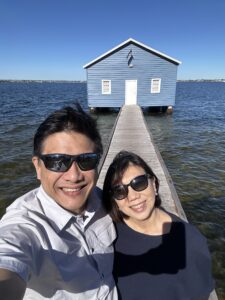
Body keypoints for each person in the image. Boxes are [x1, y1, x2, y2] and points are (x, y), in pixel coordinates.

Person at [0, 104, 118, 300]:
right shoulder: (26, 225)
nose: (73, 176)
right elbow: (9, 254)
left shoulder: (98, 197)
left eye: (86, 160)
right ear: (38, 167)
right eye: (57, 161)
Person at [103, 150, 214, 300]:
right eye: (120, 191)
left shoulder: (190, 242)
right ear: (113, 199)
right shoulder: (107, 233)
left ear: (154, 184)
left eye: (139, 183)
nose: (133, 196)